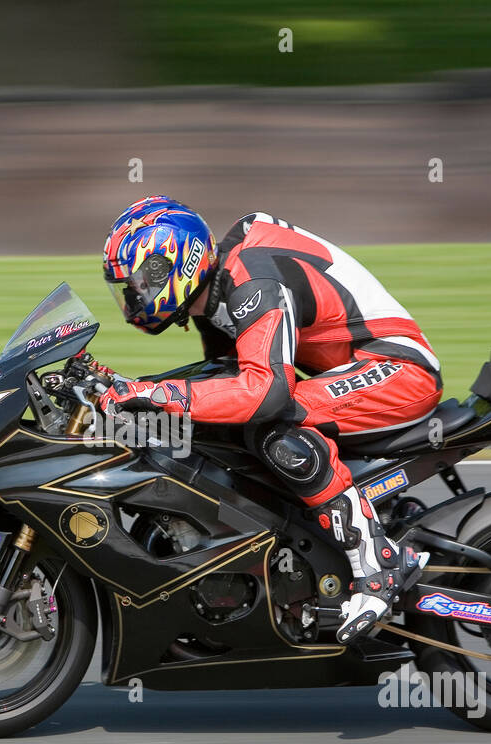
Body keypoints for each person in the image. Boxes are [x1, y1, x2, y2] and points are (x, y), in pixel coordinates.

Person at [98, 196, 439, 643]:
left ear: (178, 263)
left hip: (398, 369)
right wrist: (129, 391)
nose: (135, 295)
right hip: (352, 369)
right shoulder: (215, 295)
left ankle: (377, 563)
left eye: (143, 281)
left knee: (275, 424)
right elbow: (216, 385)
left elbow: (265, 393)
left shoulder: (252, 280)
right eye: (128, 286)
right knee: (221, 422)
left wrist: (153, 395)